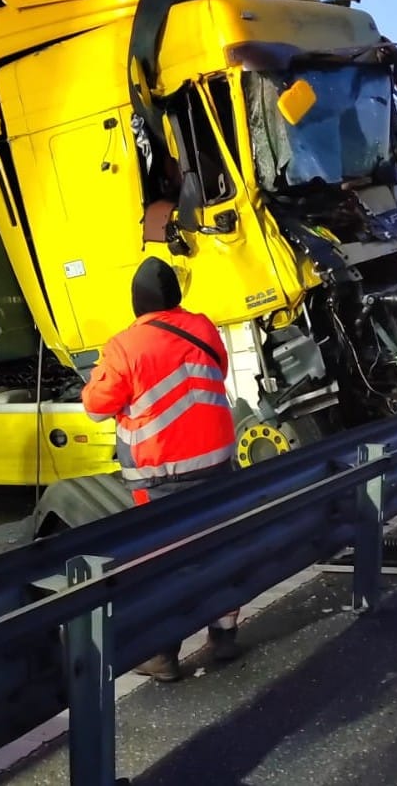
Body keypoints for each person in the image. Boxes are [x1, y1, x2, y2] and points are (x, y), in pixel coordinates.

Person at [82, 256, 239, 681]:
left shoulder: (125, 346)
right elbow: (217, 372)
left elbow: (96, 407)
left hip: (161, 476)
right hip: (217, 463)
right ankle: (225, 636)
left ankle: (163, 653)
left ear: (137, 302)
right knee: (218, 549)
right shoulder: (203, 328)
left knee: (163, 563)